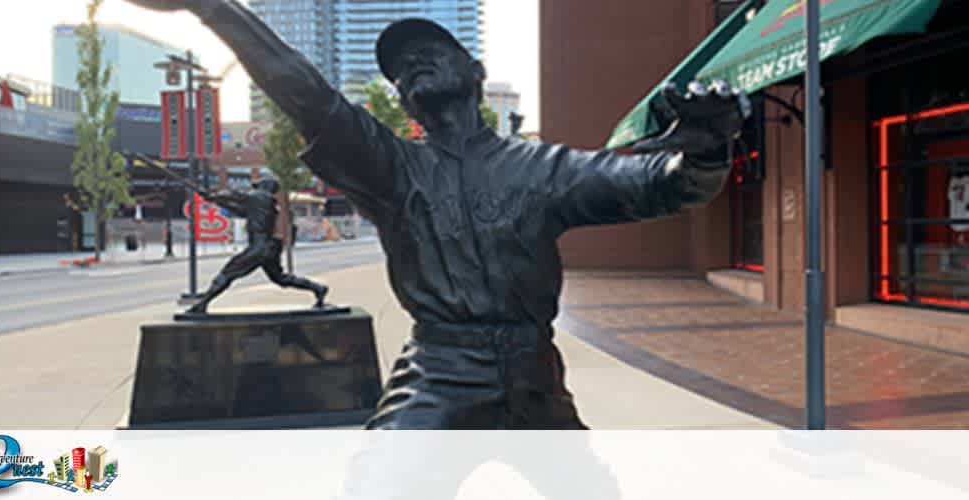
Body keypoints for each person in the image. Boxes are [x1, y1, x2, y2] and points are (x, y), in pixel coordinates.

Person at [128, 0, 750, 429]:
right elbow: (307, 94)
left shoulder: (542, 168)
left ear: (475, 72)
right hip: (441, 368)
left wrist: (705, 147)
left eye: (431, 50)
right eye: (400, 69)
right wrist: (215, 9)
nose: (410, 65)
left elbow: (658, 185)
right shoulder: (391, 168)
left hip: (536, 372)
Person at [188, 177, 327, 314]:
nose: (255, 189)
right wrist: (215, 200)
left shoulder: (260, 197)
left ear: (265, 186)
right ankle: (318, 288)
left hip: (259, 247)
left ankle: (203, 304)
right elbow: (239, 210)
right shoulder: (264, 203)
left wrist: (214, 195)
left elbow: (236, 195)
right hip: (269, 246)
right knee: (281, 279)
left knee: (227, 273)